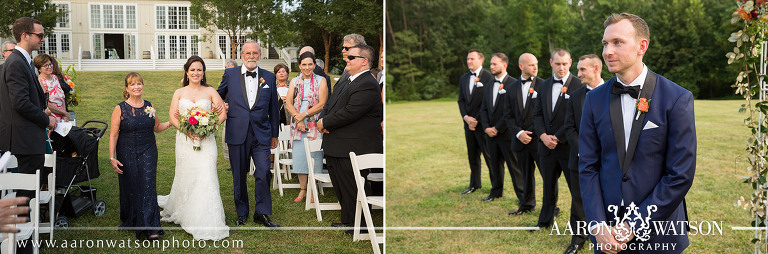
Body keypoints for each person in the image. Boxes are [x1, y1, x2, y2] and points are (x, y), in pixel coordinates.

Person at [580, 13, 696, 253]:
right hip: (606, 233)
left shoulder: (677, 98)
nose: (607, 51)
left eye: (617, 42)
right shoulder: (593, 100)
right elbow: (588, 167)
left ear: (642, 46)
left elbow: (680, 175)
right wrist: (599, 226)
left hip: (659, 233)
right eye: (605, 44)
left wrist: (632, 225)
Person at [158, 55, 229, 240]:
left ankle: (207, 217)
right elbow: (173, 116)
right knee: (186, 174)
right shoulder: (179, 92)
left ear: (203, 72)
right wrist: (187, 131)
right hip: (185, 141)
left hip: (207, 141)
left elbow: (221, 115)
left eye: (199, 69)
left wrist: (208, 129)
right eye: (192, 70)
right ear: (187, 72)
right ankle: (185, 210)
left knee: (206, 173)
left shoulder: (211, 91)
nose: (196, 73)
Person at [317, 44, 382, 234]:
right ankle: (348, 220)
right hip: (337, 143)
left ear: (364, 61)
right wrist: (323, 119)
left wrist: (326, 123)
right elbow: (331, 104)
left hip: (355, 146)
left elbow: (351, 112)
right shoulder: (347, 81)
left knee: (354, 186)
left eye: (351, 57)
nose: (346, 58)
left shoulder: (368, 84)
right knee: (341, 185)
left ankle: (360, 225)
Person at [217, 40, 281, 228]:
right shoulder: (230, 74)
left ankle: (262, 213)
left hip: (262, 134)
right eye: (248, 53)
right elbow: (218, 95)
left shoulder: (269, 77)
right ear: (242, 56)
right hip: (237, 132)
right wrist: (221, 107)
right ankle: (242, 212)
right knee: (239, 175)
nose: (251, 56)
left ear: (259, 55)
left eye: (255, 53)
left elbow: (274, 109)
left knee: (263, 172)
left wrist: (274, 134)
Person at [108, 72, 171, 240]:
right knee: (132, 187)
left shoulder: (149, 106)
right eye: (132, 84)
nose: (136, 87)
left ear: (143, 86)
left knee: (149, 186)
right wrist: (112, 157)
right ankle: (134, 218)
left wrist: (173, 121)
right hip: (126, 152)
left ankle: (151, 227)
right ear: (127, 88)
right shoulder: (120, 108)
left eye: (139, 84)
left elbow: (156, 127)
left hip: (149, 150)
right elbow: (113, 135)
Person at [0, 17, 57, 199]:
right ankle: (22, 226)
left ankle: (27, 223)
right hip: (24, 139)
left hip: (27, 137)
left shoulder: (23, 60)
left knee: (30, 190)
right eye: (39, 35)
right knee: (26, 192)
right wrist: (46, 119)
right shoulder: (16, 62)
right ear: (25, 35)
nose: (43, 39)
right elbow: (20, 103)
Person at [533, 48, 583, 229]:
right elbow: (537, 114)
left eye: (564, 64)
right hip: (546, 147)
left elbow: (576, 118)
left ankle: (580, 228)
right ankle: (545, 221)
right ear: (551, 63)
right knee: (547, 187)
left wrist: (557, 136)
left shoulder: (579, 85)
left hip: (568, 147)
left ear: (570, 63)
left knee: (575, 190)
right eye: (557, 64)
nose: (561, 68)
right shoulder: (543, 85)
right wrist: (543, 136)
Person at [562, 54, 604, 254]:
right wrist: (584, 152)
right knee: (578, 201)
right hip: (579, 160)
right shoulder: (575, 96)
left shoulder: (614, 91)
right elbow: (569, 128)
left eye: (582, 70)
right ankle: (578, 239)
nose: (578, 74)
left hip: (610, 161)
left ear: (596, 68)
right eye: (578, 70)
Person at [284, 52, 328, 203]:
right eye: (304, 64)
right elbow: (288, 103)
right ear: (299, 66)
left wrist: (304, 115)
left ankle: (312, 190)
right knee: (300, 157)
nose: (307, 67)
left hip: (314, 123)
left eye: (310, 64)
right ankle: (302, 190)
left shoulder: (322, 81)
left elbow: (322, 104)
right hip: (297, 124)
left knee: (315, 157)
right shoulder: (294, 81)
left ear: (315, 65)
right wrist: (298, 118)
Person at [505, 53, 543, 216]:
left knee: (547, 176)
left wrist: (533, 133)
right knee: (525, 175)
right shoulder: (511, 88)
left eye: (536, 64)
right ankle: (526, 205)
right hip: (520, 141)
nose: (535, 67)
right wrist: (519, 133)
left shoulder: (544, 85)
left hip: (539, 140)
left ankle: (551, 207)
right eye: (531, 65)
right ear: (521, 66)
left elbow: (545, 114)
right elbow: (507, 115)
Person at [478, 52, 519, 202]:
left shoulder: (514, 84)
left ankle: (522, 197)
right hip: (490, 134)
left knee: (514, 167)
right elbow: (483, 109)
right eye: (491, 64)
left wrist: (497, 128)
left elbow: (512, 110)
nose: (492, 66)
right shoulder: (488, 85)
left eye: (495, 64)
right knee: (494, 165)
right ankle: (495, 191)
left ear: (504, 65)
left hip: (507, 133)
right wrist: (486, 127)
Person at [457, 49, 494, 196]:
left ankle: (495, 186)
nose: (469, 61)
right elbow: (461, 100)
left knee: (489, 157)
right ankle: (474, 184)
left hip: (482, 125)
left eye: (472, 59)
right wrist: (466, 117)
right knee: (472, 156)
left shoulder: (489, 78)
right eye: (467, 59)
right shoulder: (464, 78)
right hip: (468, 125)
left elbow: (488, 103)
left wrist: (476, 120)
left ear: (481, 60)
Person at [34, 54, 69, 122]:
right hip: (51, 118)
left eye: (50, 64)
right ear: (39, 69)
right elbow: (46, 103)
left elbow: (62, 98)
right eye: (46, 65)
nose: (49, 67)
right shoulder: (40, 81)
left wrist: (65, 115)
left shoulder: (54, 77)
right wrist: (64, 113)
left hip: (62, 116)